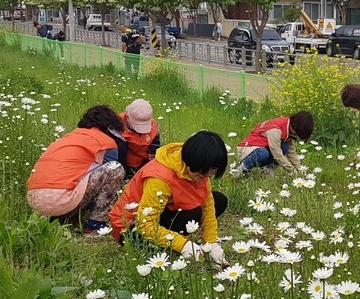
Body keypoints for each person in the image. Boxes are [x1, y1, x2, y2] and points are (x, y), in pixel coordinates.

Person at [109, 130, 229, 265]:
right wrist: (182, 244)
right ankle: (170, 242)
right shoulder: (159, 177)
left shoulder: (199, 167)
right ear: (191, 161)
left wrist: (211, 242)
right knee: (193, 214)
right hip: (132, 226)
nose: (206, 177)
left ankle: (169, 240)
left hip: (163, 212)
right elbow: (145, 223)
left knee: (218, 200)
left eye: (210, 173)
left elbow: (207, 206)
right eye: (202, 173)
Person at [26, 105, 126, 235]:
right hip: (61, 201)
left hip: (35, 200)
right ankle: (95, 225)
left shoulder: (66, 138)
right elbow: (104, 185)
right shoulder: (106, 142)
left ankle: (62, 217)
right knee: (115, 169)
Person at [236, 111, 314, 175]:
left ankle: (268, 171)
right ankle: (240, 170)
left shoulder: (288, 130)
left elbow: (291, 152)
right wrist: (291, 170)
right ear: (296, 128)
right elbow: (276, 153)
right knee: (263, 153)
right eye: (297, 134)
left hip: (262, 149)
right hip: (246, 150)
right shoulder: (275, 130)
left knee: (285, 146)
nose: (296, 136)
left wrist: (300, 170)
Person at [118, 99, 161, 176]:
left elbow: (155, 145)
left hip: (142, 162)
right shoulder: (116, 125)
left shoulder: (154, 128)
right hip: (123, 162)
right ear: (127, 117)